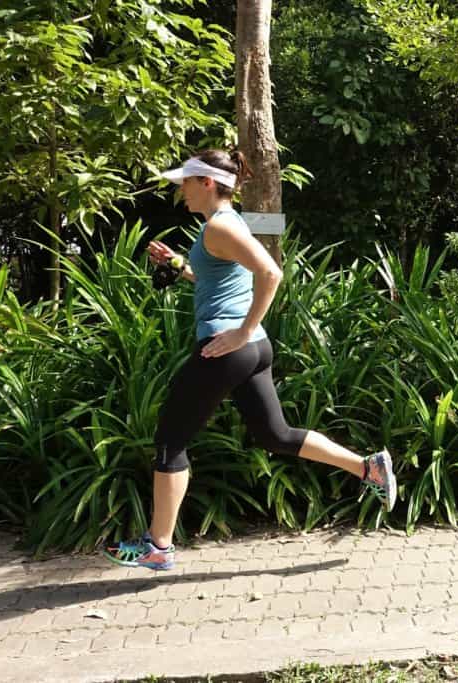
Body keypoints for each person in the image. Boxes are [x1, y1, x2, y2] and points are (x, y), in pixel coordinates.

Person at [103, 150, 397, 571]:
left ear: (206, 183)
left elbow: (270, 273)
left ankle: (158, 546)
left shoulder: (221, 226)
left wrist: (240, 330)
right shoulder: (223, 225)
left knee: (170, 440)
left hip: (229, 347)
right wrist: (180, 265)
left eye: (185, 182)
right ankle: (368, 468)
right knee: (276, 435)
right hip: (253, 349)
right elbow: (220, 277)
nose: (180, 190)